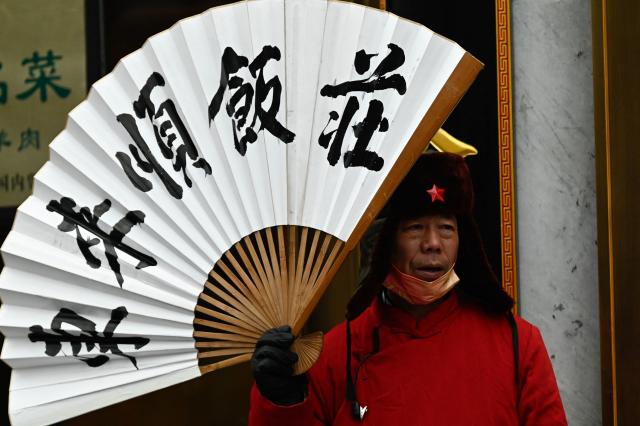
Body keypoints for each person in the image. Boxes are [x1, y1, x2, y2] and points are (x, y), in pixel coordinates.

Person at [248, 153, 567, 425]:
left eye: (446, 228)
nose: (432, 244)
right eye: (415, 228)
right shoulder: (335, 354)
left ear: (463, 243)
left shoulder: (518, 345)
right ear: (385, 243)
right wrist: (281, 404)